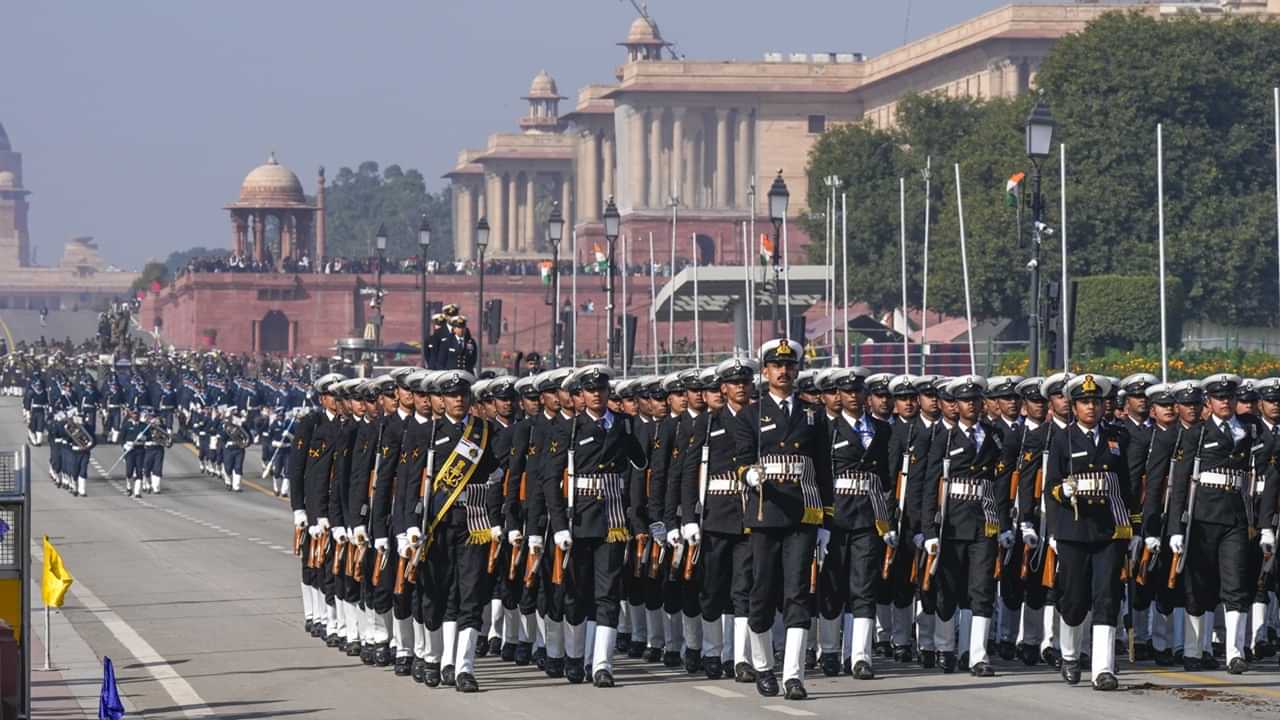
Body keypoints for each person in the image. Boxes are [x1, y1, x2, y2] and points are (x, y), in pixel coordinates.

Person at [732, 338, 833, 700]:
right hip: (765, 512)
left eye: (790, 366)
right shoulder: (749, 414)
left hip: (803, 513)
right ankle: (762, 665)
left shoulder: (813, 415)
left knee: (798, 595)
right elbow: (741, 459)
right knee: (761, 593)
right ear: (766, 371)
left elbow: (824, 469)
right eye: (777, 366)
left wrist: (825, 521)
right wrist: (749, 475)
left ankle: (793, 676)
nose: (784, 372)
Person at [1043, 374, 1135, 690]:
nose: (1091, 408)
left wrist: (1132, 527)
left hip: (1109, 527)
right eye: (1085, 402)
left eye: (1096, 402)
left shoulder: (1116, 438)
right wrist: (1062, 495)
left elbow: (1126, 484)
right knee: (1074, 597)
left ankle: (1102, 669)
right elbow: (1050, 485)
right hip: (1074, 527)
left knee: (1107, 595)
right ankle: (1070, 655)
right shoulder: (1061, 438)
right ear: (1074, 405)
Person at [1168, 373, 1259, 675]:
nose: (1226, 402)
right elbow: (1180, 483)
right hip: (1203, 517)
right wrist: (1174, 529)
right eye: (1220, 398)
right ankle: (1195, 650)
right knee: (1200, 584)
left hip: (1235, 516)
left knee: (1236, 584)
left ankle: (1235, 653)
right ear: (1208, 402)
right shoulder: (1197, 433)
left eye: (1230, 397)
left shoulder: (1249, 430)